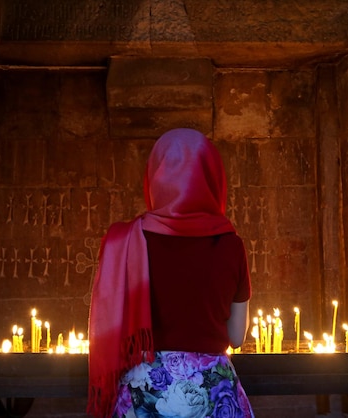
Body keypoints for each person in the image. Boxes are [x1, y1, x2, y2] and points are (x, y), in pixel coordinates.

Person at [87, 128, 254, 418]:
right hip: (212, 396)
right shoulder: (231, 245)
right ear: (214, 179)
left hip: (144, 396)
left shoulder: (126, 241)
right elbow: (237, 337)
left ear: (154, 177)